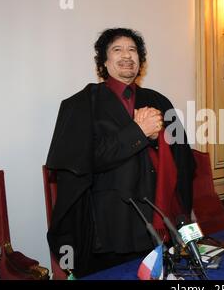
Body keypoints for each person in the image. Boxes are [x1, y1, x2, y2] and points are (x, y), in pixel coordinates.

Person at [46, 28, 195, 277]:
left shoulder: (159, 101)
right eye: (117, 50)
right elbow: (82, 162)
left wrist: (158, 140)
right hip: (109, 229)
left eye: (133, 50)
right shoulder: (82, 104)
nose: (127, 55)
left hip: (160, 221)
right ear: (103, 62)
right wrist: (138, 132)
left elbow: (184, 159)